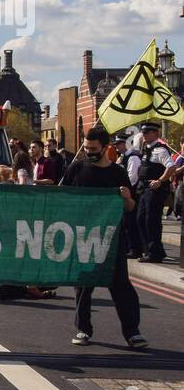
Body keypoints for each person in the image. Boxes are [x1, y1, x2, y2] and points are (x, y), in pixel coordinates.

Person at [59, 125, 146, 348]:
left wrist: (126, 197)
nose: (89, 151)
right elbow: (61, 200)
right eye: (86, 147)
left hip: (111, 238)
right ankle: (83, 330)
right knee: (83, 286)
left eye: (93, 148)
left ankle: (132, 332)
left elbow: (130, 207)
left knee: (121, 286)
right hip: (82, 237)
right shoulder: (76, 169)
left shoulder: (118, 173)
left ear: (106, 147)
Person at [134, 122, 173, 263]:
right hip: (145, 189)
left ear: (155, 133)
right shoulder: (147, 148)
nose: (144, 135)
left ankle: (154, 253)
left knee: (151, 220)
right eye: (143, 132)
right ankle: (155, 250)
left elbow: (171, 167)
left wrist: (160, 181)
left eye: (147, 132)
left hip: (155, 191)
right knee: (140, 218)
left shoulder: (160, 150)